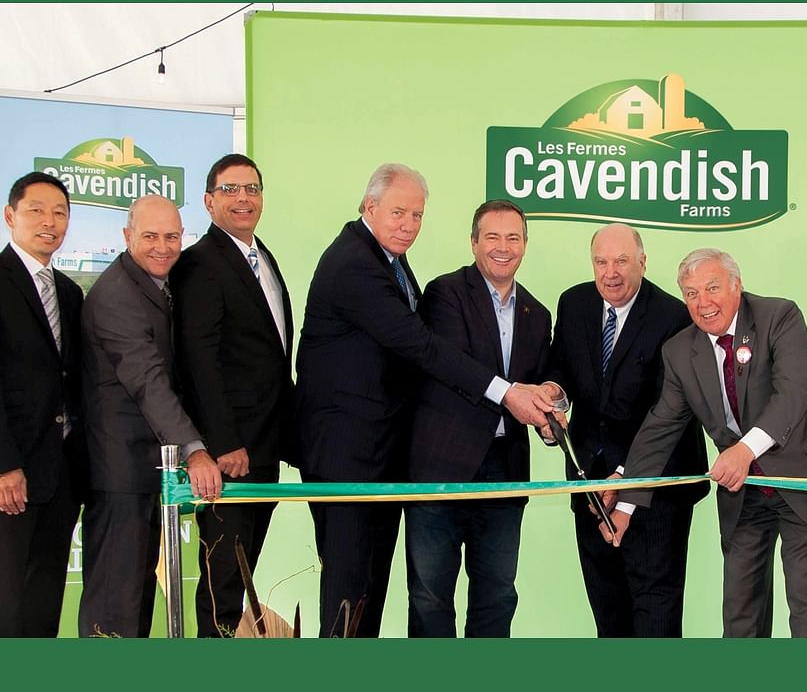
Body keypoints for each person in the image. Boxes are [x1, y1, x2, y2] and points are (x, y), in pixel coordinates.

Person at [293, 165, 554, 638]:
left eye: (416, 215)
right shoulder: (355, 262)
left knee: (369, 586)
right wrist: (506, 392)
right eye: (398, 212)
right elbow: (422, 347)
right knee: (350, 587)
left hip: (383, 454)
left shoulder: (389, 260)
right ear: (369, 207)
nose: (408, 224)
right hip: (347, 454)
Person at [605, 248, 807, 637]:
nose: (703, 303)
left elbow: (794, 394)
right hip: (744, 491)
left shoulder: (780, 316)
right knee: (739, 616)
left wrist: (744, 450)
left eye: (712, 288)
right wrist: (627, 504)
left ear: (737, 285)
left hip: (804, 480)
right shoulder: (680, 351)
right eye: (691, 293)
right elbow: (661, 426)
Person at [546, 223, 707, 637]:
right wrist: (553, 403)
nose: (610, 272)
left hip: (655, 492)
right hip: (588, 483)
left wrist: (626, 481)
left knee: (655, 614)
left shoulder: (674, 316)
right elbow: (561, 372)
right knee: (608, 612)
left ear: (643, 261)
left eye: (621, 261)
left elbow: (668, 413)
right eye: (601, 262)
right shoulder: (574, 303)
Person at [404, 200, 552, 637]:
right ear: (473, 243)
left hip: (505, 471)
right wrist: (513, 395)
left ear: (525, 245)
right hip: (441, 471)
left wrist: (551, 405)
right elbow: (452, 364)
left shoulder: (538, 314)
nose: (503, 247)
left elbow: (539, 386)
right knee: (430, 596)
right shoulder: (444, 294)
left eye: (513, 237)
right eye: (492, 237)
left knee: (498, 594)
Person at [77, 195, 223, 637]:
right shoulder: (117, 294)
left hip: (143, 472)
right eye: (150, 237)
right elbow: (149, 382)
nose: (163, 247)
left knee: (136, 603)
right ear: (126, 237)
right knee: (114, 608)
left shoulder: (155, 284)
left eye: (173, 237)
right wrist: (196, 451)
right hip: (120, 472)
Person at [171, 154, 294, 637]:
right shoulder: (200, 263)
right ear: (208, 201)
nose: (243, 198)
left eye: (252, 188)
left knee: (240, 577)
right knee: (222, 582)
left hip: (264, 447)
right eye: (230, 190)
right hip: (230, 456)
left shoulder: (263, 256)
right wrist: (222, 444)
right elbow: (198, 361)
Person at [0, 172, 85, 637]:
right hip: (11, 475)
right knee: (7, 602)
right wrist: (5, 466)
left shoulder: (70, 294)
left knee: (44, 601)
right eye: (36, 210)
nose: (49, 222)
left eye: (60, 213)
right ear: (11, 215)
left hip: (60, 475)